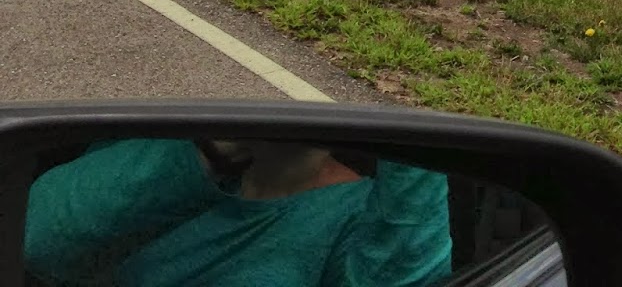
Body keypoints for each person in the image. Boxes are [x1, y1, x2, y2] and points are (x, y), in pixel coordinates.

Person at [23, 135, 452, 286]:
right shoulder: (170, 150)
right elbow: (33, 240)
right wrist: (212, 152)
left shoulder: (362, 218)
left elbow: (405, 273)